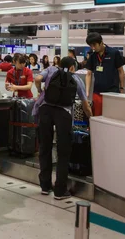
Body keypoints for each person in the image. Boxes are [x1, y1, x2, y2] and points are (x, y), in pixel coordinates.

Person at [35, 57, 93, 200]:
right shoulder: (76, 79)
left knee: (45, 148)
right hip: (64, 114)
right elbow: (85, 105)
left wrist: (39, 90)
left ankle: (44, 186)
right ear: (73, 67)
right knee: (63, 152)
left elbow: (37, 79)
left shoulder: (50, 70)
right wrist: (92, 119)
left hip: (46, 111)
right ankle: (60, 190)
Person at [85, 33, 125, 116]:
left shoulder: (114, 53)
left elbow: (121, 71)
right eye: (91, 46)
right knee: (97, 117)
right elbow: (88, 74)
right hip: (97, 92)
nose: (93, 48)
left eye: (94, 45)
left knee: (111, 116)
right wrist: (87, 92)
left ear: (101, 42)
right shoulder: (93, 56)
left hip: (112, 92)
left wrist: (122, 88)